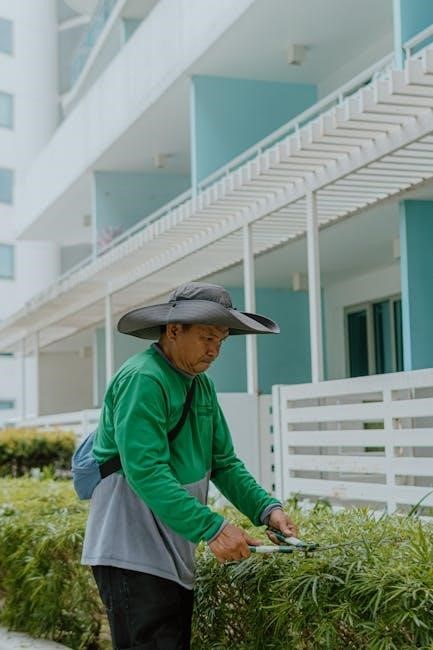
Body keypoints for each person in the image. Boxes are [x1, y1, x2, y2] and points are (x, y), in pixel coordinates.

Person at [82, 282, 298, 650]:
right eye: (207, 338)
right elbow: (146, 470)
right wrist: (213, 527)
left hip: (172, 551)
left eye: (221, 341)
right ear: (173, 330)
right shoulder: (143, 379)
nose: (214, 350)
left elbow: (224, 463)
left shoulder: (201, 386)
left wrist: (267, 509)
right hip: (131, 553)